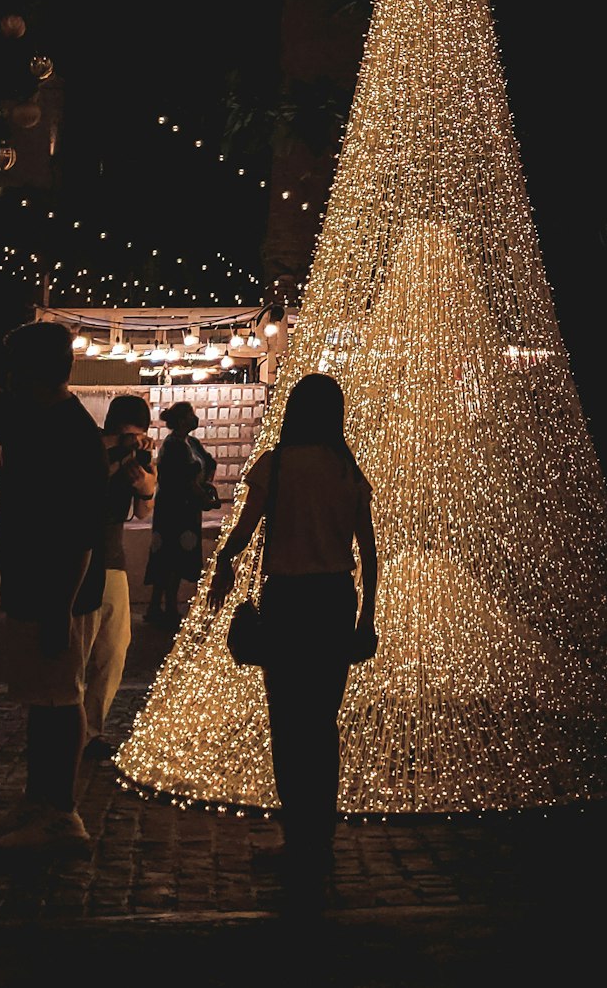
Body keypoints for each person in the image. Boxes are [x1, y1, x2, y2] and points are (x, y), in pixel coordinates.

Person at [206, 373, 377, 885]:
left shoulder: (275, 467)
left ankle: (295, 832)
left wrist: (224, 562)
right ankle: (319, 835)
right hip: (332, 601)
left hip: (287, 601)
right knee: (323, 720)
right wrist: (367, 617)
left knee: (288, 718)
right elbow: (367, 553)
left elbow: (244, 528)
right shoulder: (347, 470)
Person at [0, 320, 108, 856]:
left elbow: (81, 530)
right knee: (44, 697)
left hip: (61, 591)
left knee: (61, 699)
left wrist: (61, 605)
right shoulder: (42, 419)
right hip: (40, 586)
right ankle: (39, 801)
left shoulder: (68, 431)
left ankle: (62, 813)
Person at [82, 394, 156, 760]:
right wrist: (118, 451)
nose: (136, 441)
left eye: (140, 435)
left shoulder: (138, 455)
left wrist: (145, 485)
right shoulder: (92, 447)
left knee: (114, 648)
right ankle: (69, 726)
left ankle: (90, 731)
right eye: (130, 434)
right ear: (113, 430)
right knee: (77, 649)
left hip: (113, 560)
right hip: (78, 558)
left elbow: (144, 510)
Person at [143, 400, 217, 631]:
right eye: (191, 415)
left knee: (171, 554)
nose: (195, 419)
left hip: (185, 508)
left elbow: (206, 464)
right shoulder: (175, 445)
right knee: (171, 555)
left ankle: (158, 605)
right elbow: (183, 478)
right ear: (183, 419)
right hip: (175, 508)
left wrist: (204, 487)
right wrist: (202, 496)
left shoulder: (189, 442)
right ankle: (168, 606)